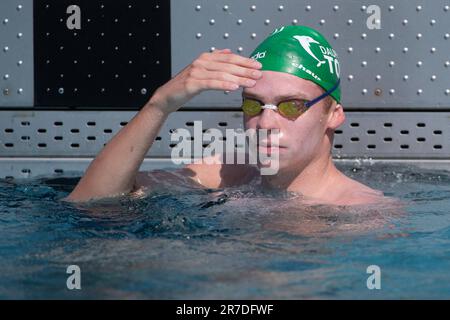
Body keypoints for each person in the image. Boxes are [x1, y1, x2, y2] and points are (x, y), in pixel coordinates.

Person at [66, 25, 388, 206]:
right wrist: (160, 103)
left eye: (291, 105)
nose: (265, 124)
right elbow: (93, 201)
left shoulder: (365, 215)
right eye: (253, 104)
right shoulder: (233, 173)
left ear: (334, 114)